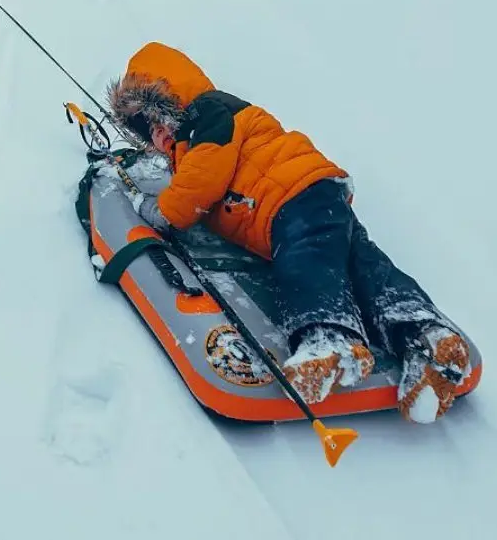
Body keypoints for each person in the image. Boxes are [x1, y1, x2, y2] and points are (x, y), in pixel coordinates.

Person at [106, 41, 472, 423]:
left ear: (172, 102)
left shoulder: (208, 113)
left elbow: (200, 184)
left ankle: (329, 340)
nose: (158, 138)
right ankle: (424, 335)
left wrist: (161, 211)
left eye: (157, 123)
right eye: (149, 134)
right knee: (364, 267)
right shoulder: (201, 130)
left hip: (290, 197)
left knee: (304, 260)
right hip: (314, 193)